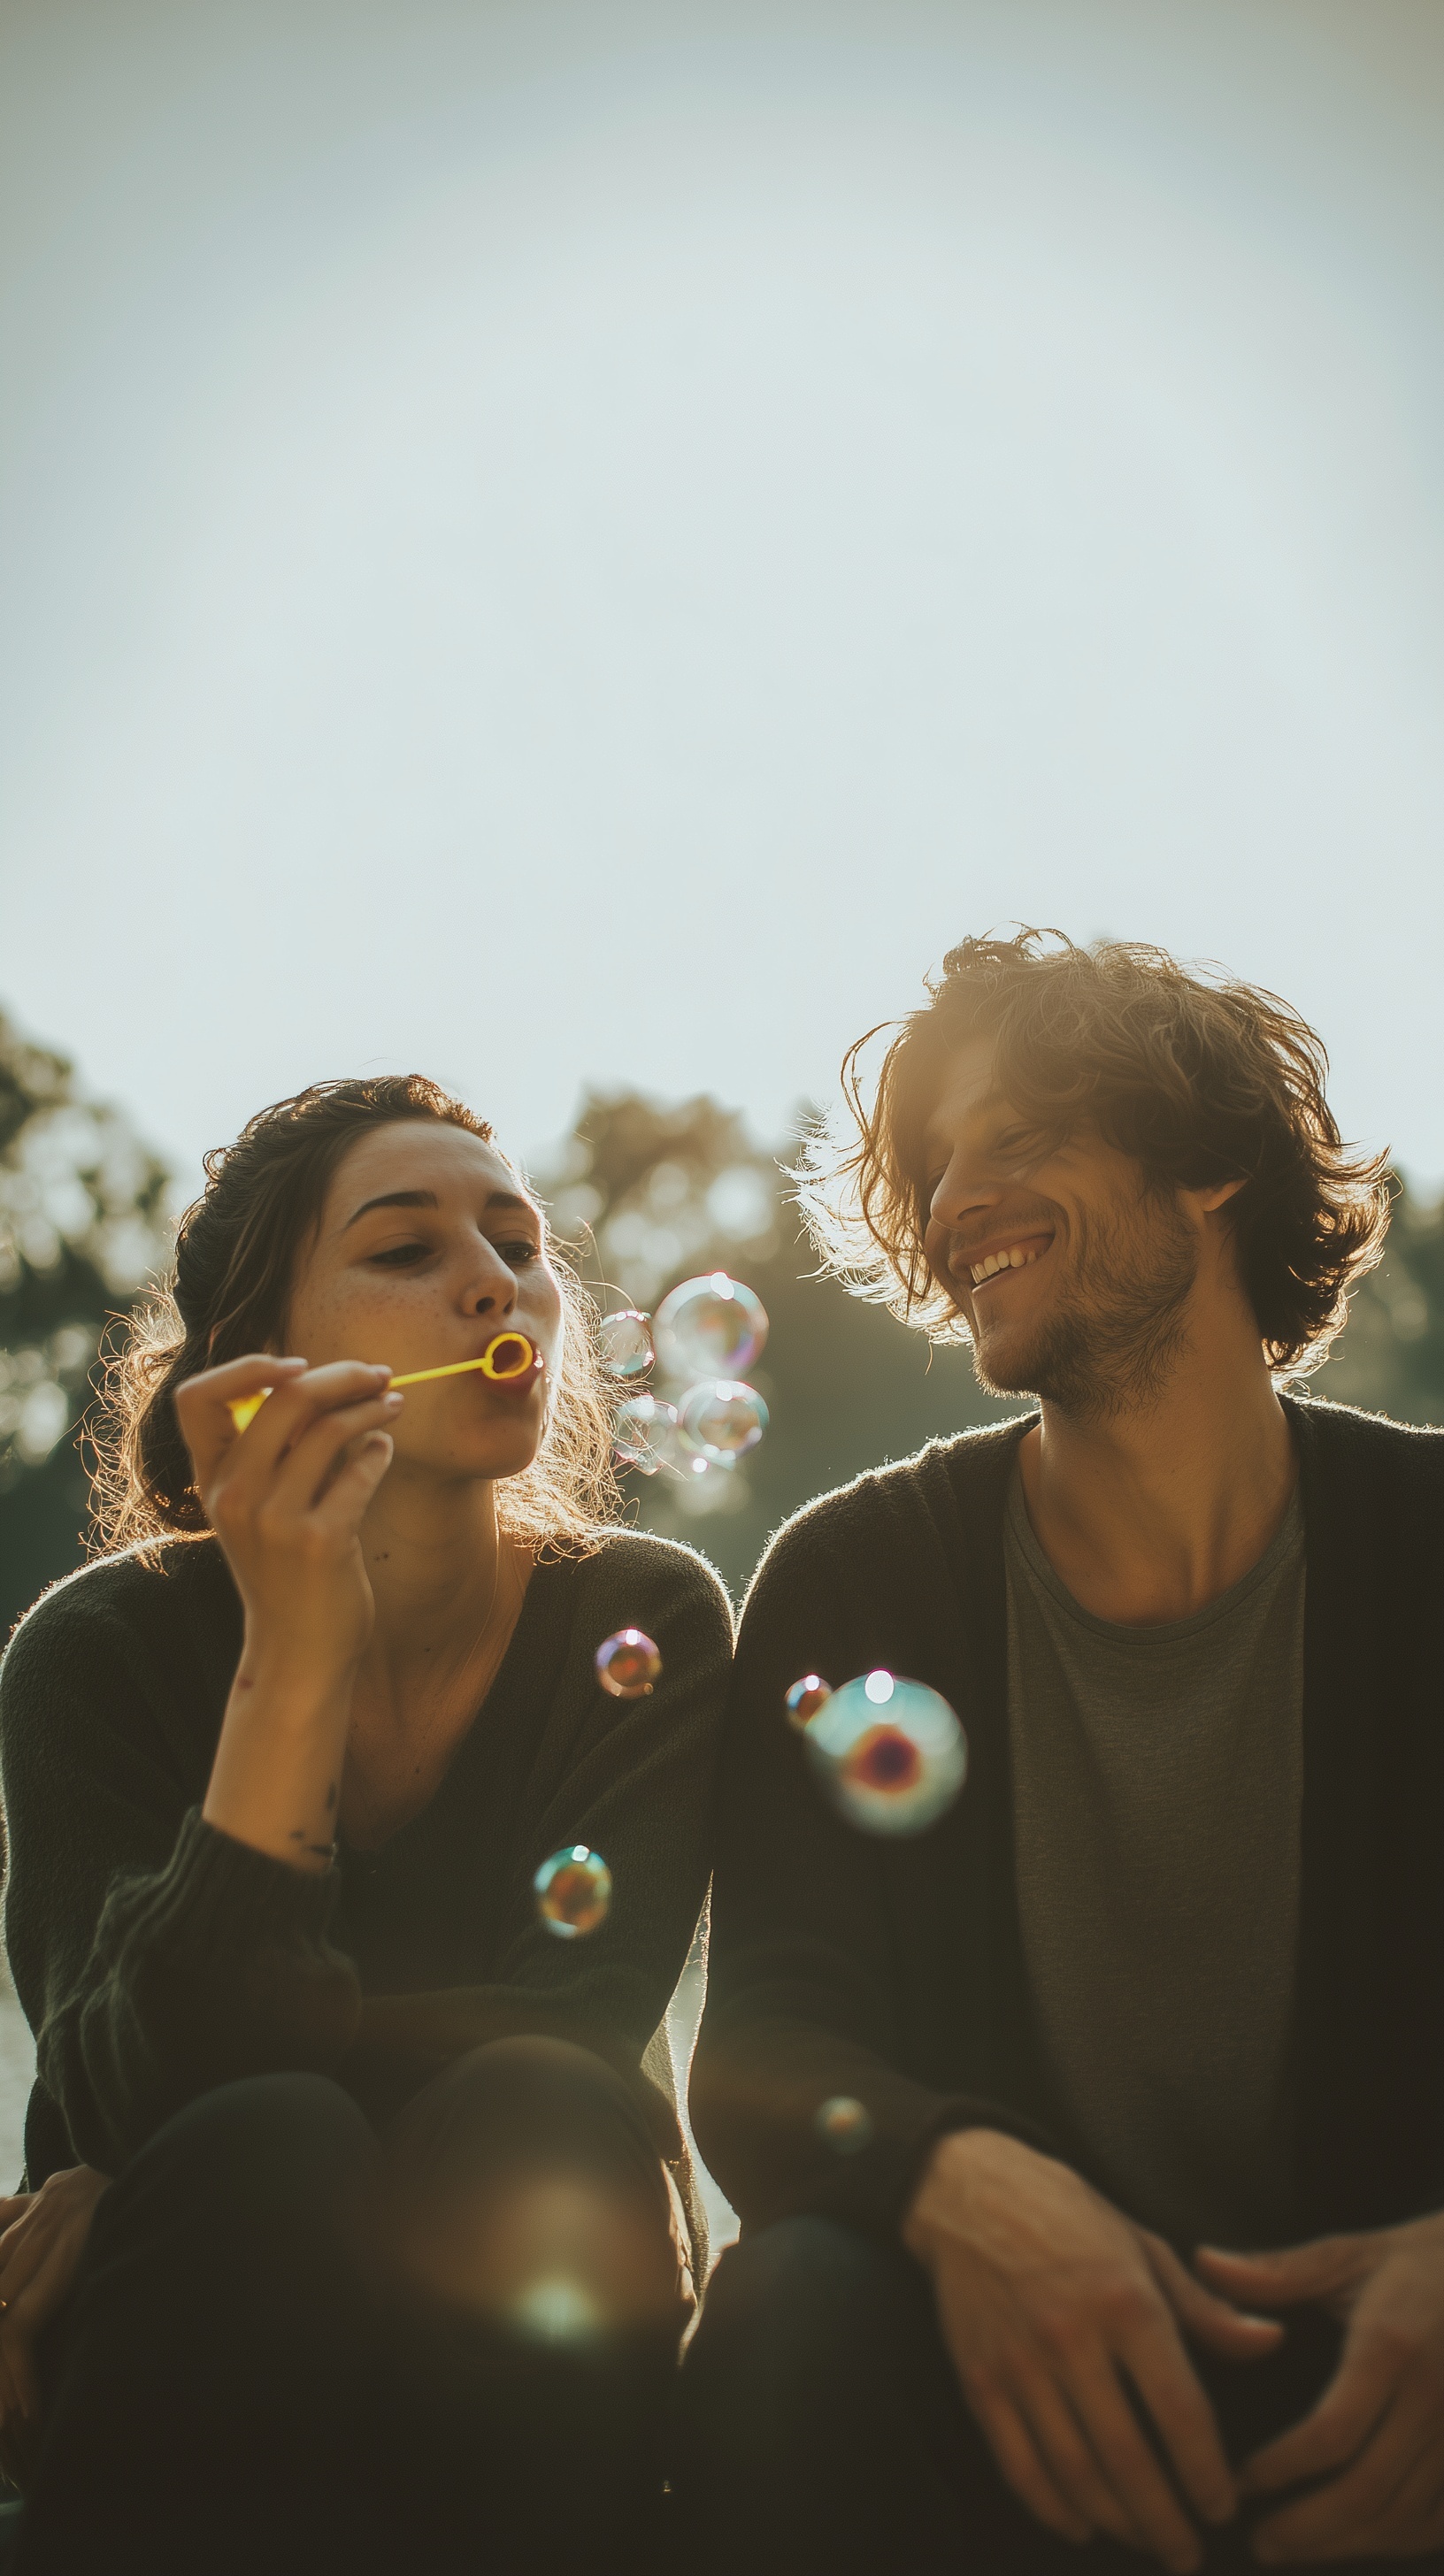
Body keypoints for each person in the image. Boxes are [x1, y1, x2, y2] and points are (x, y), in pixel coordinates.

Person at [679, 932, 1444, 2574]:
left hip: (1391, 2404)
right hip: (1013, 2394)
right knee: (791, 2313)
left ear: (1212, 1164)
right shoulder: (857, 1580)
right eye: (938, 1167)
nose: (958, 1202)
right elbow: (760, 2049)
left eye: (1019, 1139)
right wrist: (956, 2177)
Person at [0, 1074, 733, 2575]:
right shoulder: (98, 1652)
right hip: (199, 2311)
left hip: (539, 2288)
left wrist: (136, 2149)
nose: (496, 1281)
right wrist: (294, 1656)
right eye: (405, 1249)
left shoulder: (645, 1614)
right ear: (253, 1364)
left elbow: (571, 2026)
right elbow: (121, 2081)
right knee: (264, 2147)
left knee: (519, 2107)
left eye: (518, 1244)